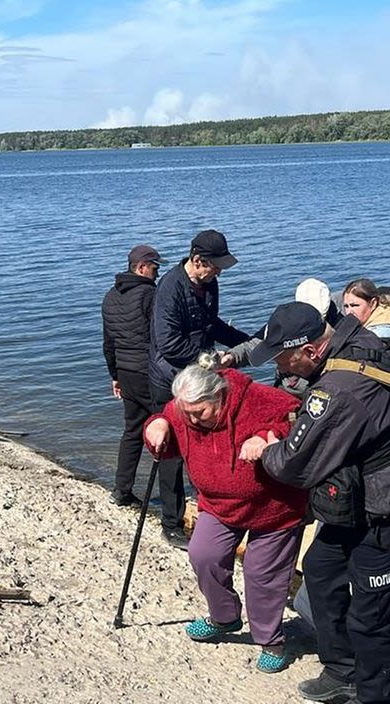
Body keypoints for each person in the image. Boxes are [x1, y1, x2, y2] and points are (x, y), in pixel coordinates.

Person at [241, 302, 390, 704]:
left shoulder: (336, 390)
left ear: (310, 351)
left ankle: (374, 696)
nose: (278, 367)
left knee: (372, 615)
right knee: (321, 566)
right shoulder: (364, 340)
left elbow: (296, 465)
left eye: (282, 357)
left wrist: (266, 449)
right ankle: (342, 671)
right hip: (365, 494)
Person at [143, 362, 306, 674]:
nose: (190, 420)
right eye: (185, 413)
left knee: (261, 575)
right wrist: (158, 425)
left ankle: (270, 640)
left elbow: (301, 423)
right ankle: (224, 617)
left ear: (219, 396)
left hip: (275, 507)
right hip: (218, 504)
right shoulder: (182, 410)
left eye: (199, 413)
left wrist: (266, 438)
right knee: (204, 554)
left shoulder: (261, 400)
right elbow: (166, 435)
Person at [147, 229, 251, 548]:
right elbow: (169, 343)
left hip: (199, 374)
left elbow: (212, 324)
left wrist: (245, 341)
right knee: (172, 451)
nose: (218, 272)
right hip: (169, 378)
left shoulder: (209, 283)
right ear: (197, 260)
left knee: (207, 441)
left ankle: (206, 508)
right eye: (215, 266)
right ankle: (171, 522)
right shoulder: (169, 288)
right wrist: (209, 359)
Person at [102, 244, 165, 507]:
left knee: (132, 431)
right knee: (167, 428)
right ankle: (173, 506)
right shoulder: (150, 295)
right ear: (141, 268)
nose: (158, 273)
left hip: (126, 373)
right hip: (148, 373)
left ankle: (121, 489)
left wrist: (115, 375)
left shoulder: (110, 296)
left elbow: (108, 343)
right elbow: (159, 337)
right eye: (155, 268)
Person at [341, 278, 390, 342]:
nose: (349, 312)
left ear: (373, 303)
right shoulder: (389, 315)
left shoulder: (380, 336)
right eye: (346, 306)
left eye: (355, 305)